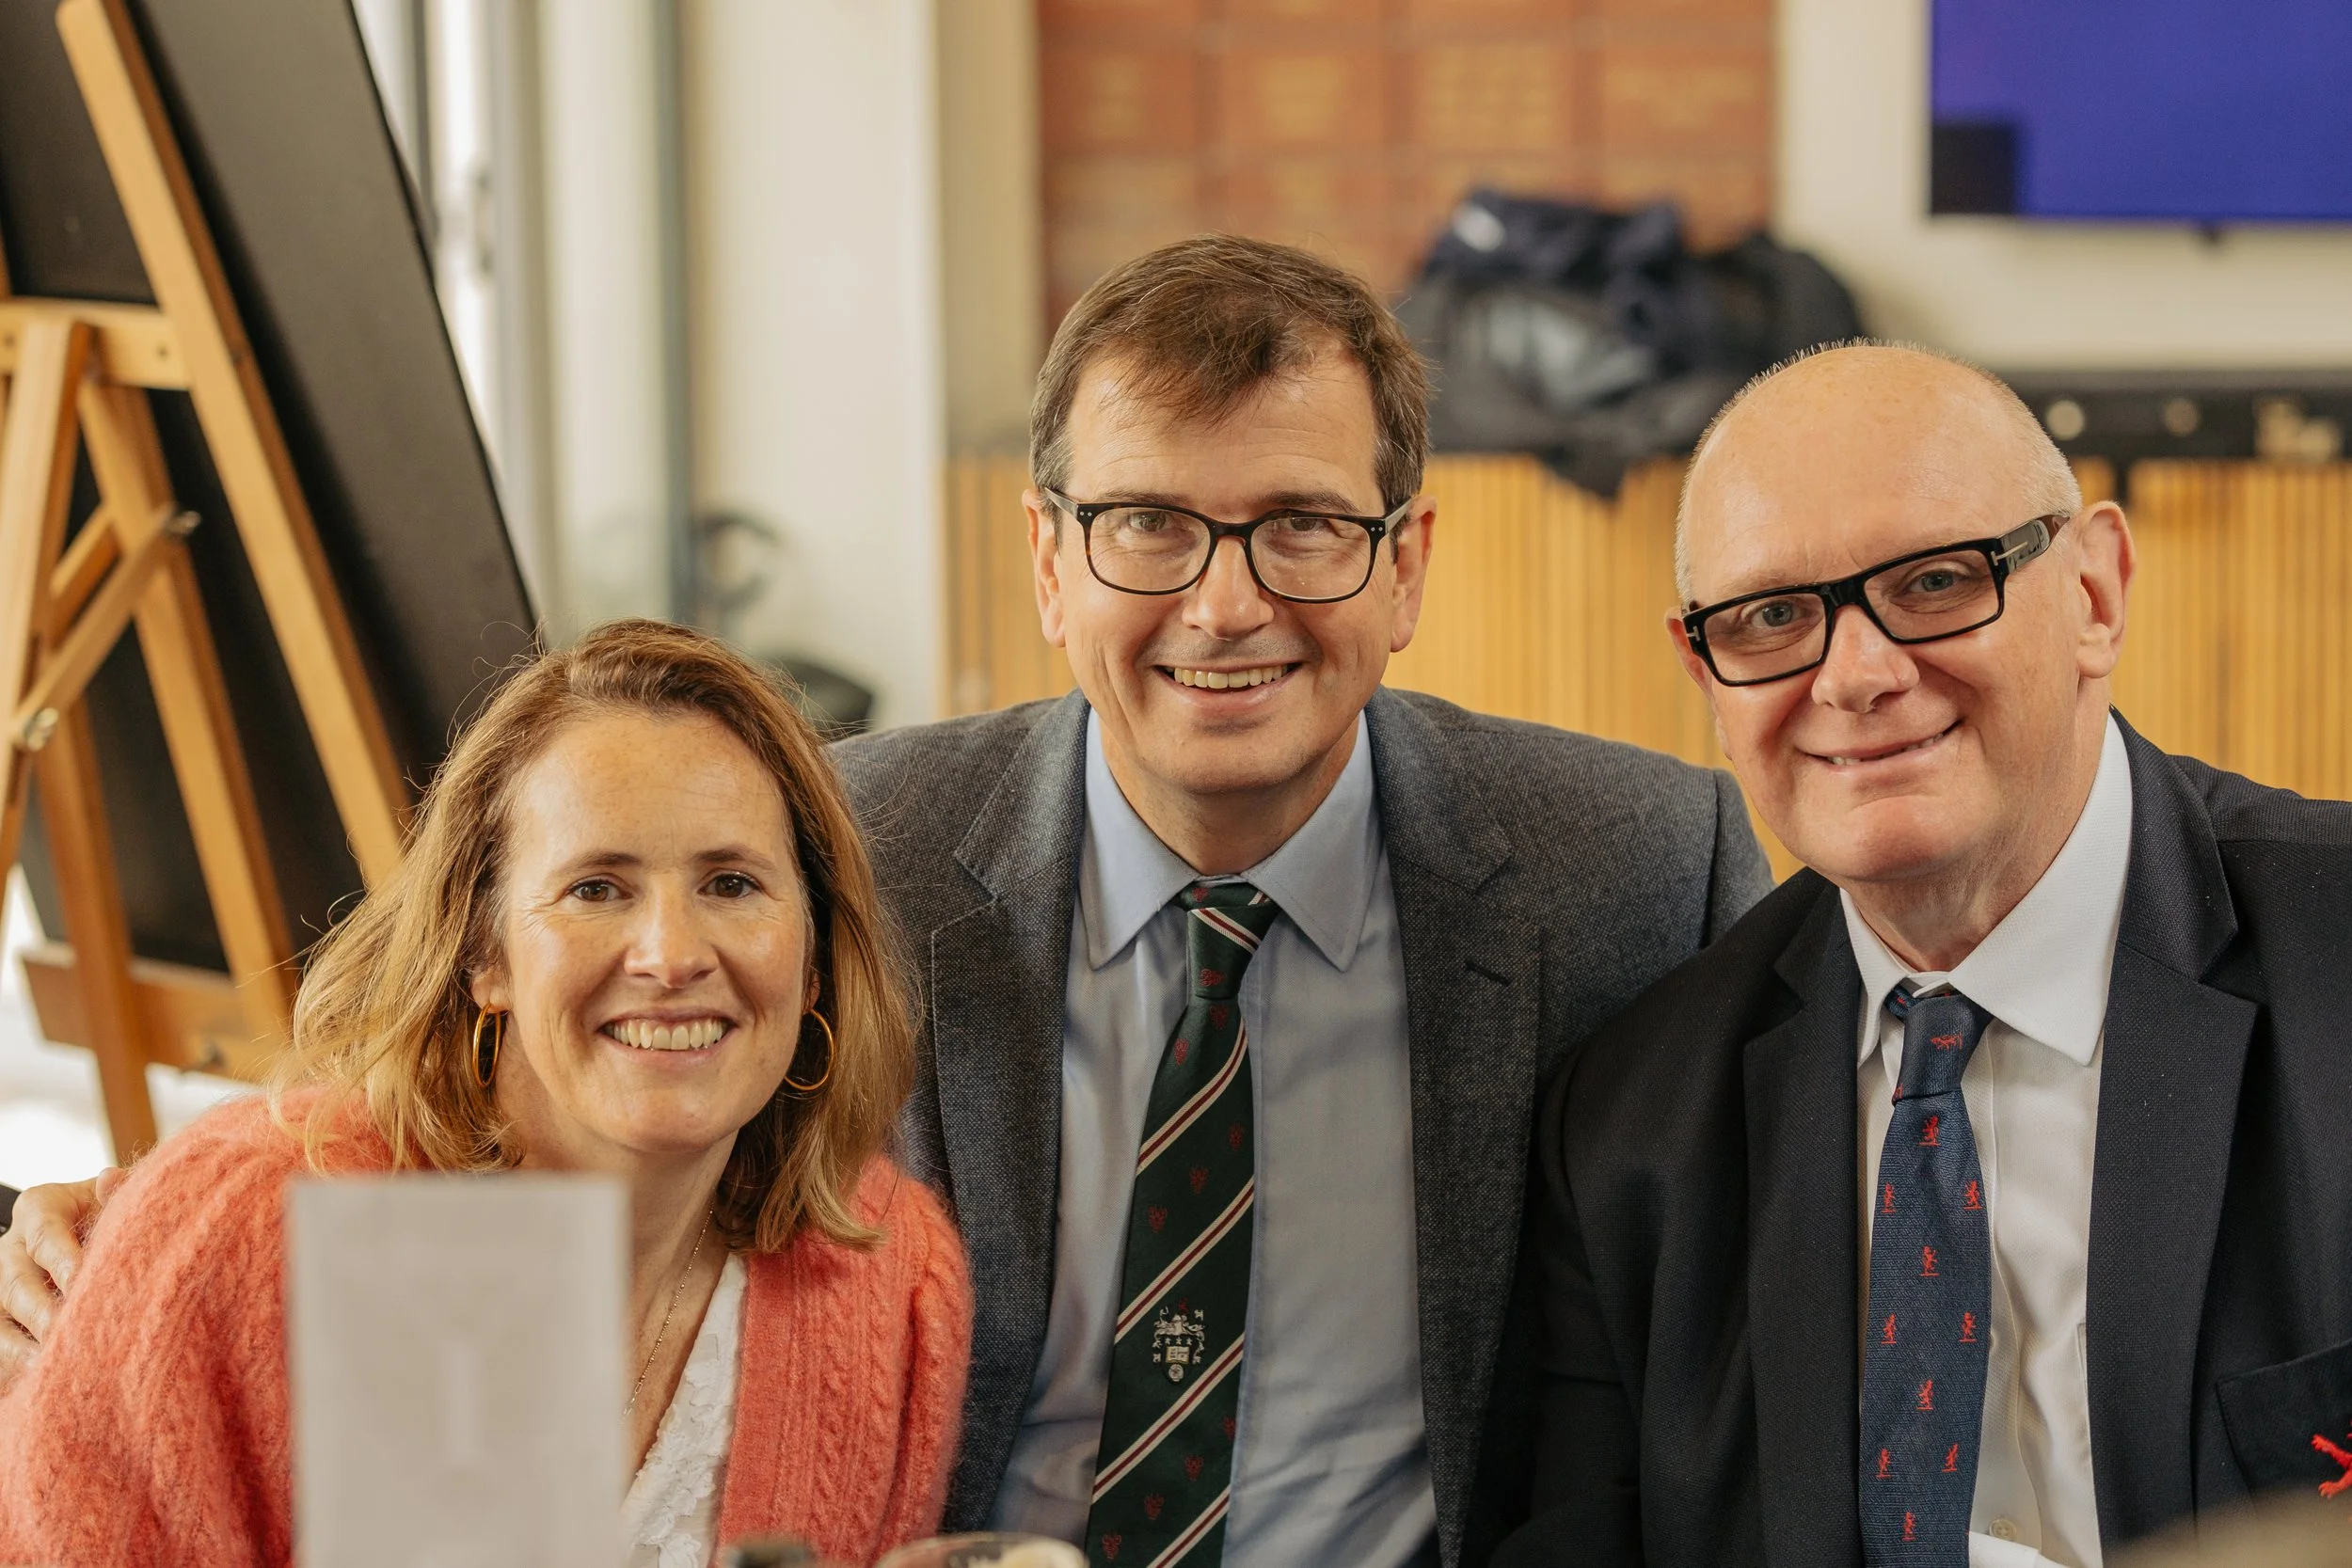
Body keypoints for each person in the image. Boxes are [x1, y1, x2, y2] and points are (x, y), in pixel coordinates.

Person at [2, 236, 1773, 1567]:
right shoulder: (839, 846)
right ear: (1049, 561)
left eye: (1302, 525)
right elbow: (505, 1092)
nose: (1226, 603)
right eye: (1148, 525)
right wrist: (141, 1223)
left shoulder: (1634, 866)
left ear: (1406, 565)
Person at [1495, 343, 2352, 1568]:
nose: (1855, 675)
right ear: (1705, 672)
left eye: (1936, 580)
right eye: (1772, 616)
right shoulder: (1630, 1128)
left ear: (2094, 593)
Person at [0, 622, 971, 1568]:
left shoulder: (892, 1280)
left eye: (731, 883)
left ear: (812, 960)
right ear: (484, 955)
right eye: (597, 888)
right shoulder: (245, 1233)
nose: (672, 954)